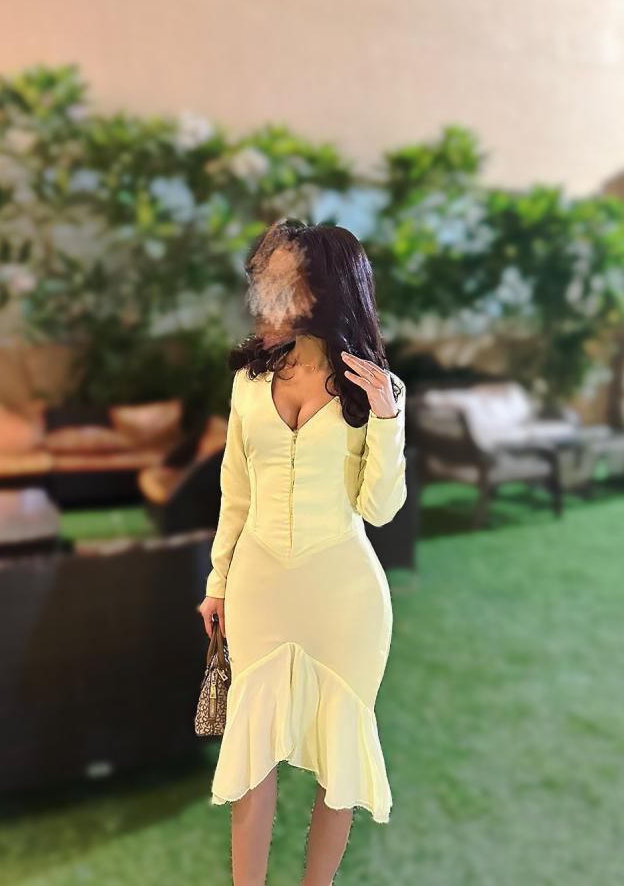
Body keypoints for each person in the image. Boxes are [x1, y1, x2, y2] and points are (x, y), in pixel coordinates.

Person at [197, 217, 407, 886]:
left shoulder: (376, 390)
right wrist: (217, 581)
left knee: (338, 758)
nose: (266, 295)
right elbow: (234, 491)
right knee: (252, 755)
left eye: (282, 282)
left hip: (346, 595)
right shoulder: (249, 380)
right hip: (259, 585)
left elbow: (380, 508)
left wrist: (387, 417)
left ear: (325, 290)